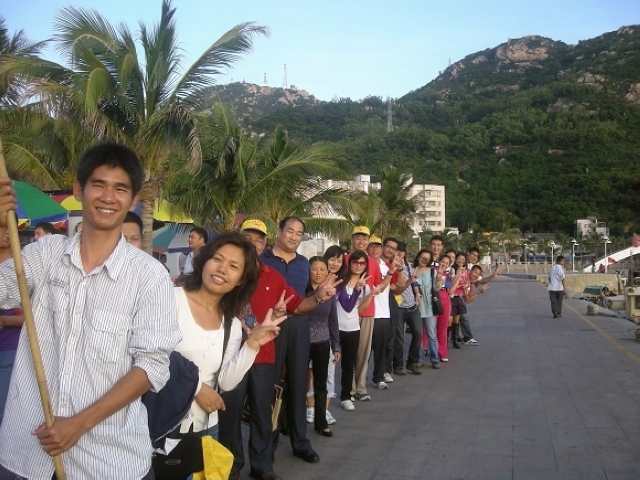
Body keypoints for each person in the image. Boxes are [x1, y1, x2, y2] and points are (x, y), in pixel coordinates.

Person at [0, 142, 182, 479]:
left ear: (133, 199)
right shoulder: (45, 254)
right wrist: (0, 231)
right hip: (26, 457)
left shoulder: (149, 275)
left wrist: (78, 425)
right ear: (78, 190)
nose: (108, 197)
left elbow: (152, 365)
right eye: (98, 184)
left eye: (120, 188)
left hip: (108, 461)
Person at [173, 232, 285, 444]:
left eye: (233, 266)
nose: (222, 269)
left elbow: (226, 382)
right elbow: (152, 356)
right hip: (162, 423)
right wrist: (196, 388)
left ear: (240, 280)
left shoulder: (231, 324)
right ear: (204, 261)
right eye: (217, 259)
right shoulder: (171, 300)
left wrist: (252, 344)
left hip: (206, 428)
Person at [261, 217, 339, 464]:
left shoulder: (304, 263)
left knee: (298, 384)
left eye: (299, 233)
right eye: (290, 231)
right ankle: (268, 443)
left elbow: (305, 297)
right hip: (271, 325)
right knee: (271, 385)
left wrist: (320, 294)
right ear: (279, 231)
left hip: (298, 325)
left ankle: (300, 442)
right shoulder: (262, 260)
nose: (294, 237)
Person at [335, 251, 381, 411]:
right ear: (350, 263)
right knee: (327, 364)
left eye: (362, 263)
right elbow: (346, 306)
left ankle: (346, 396)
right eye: (355, 262)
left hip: (353, 328)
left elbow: (360, 308)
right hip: (336, 328)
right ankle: (322, 396)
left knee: (348, 365)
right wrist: (356, 290)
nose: (358, 266)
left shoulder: (365, 285)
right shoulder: (340, 281)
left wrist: (371, 295)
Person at [305, 257, 340, 438]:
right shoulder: (302, 290)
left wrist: (336, 346)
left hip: (322, 342)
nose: (318, 272)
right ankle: (290, 422)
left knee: (321, 383)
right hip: (302, 342)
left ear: (327, 272)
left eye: (322, 269)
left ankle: (321, 423)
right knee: (298, 383)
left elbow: (333, 321)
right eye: (314, 269)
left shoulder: (330, 292)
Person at [349, 226, 383, 402]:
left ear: (368, 241)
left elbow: (378, 286)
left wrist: (392, 273)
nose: (361, 241)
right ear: (352, 240)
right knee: (349, 352)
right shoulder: (345, 259)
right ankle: (349, 388)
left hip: (367, 311)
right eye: (358, 238)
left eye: (364, 238)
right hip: (347, 312)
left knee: (364, 351)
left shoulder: (373, 263)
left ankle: (360, 388)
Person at [0, 226, 24, 425]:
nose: (6, 232)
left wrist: (6, 320)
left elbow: (34, 316)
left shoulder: (25, 266)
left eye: (10, 227)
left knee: (4, 412)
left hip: (10, 349)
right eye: (1, 227)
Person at [413, 249, 439, 369]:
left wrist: (439, 280)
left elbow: (436, 288)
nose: (424, 260)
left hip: (429, 307)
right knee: (418, 335)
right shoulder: (412, 270)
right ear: (418, 257)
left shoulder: (433, 271)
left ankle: (434, 359)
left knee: (431, 335)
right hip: (416, 307)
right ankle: (420, 358)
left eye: (427, 259)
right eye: (423, 257)